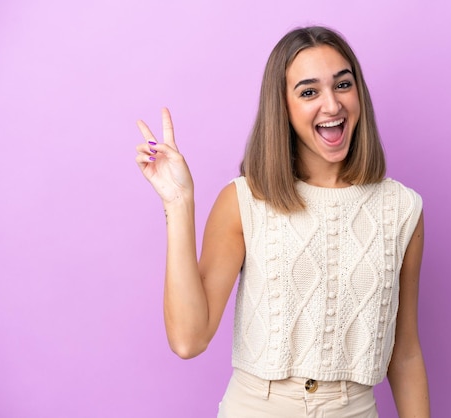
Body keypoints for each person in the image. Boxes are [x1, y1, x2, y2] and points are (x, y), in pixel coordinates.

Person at [135, 26, 430, 418]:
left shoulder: (401, 208)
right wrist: (179, 202)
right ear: (283, 107)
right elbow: (189, 339)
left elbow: (404, 352)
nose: (331, 105)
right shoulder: (245, 200)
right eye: (309, 92)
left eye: (343, 85)